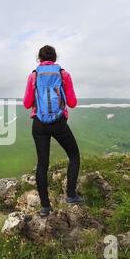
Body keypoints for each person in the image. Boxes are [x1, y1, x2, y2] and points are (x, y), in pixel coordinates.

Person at [23, 45, 84, 217]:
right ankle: (71, 195)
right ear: (55, 58)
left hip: (39, 124)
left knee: (42, 164)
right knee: (74, 155)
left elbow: (27, 103)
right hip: (58, 122)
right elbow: (72, 103)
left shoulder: (33, 76)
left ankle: (45, 207)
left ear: (39, 59)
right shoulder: (63, 75)